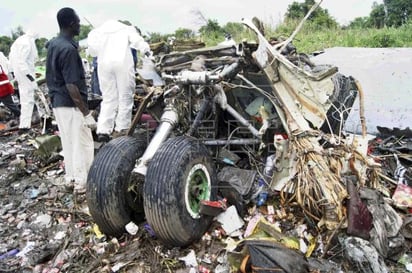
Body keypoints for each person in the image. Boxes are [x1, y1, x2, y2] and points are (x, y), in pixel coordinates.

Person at [45, 7, 96, 193]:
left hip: (58, 103)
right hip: (71, 104)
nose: (80, 25)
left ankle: (71, 177)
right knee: (83, 143)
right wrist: (86, 113)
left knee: (68, 142)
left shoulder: (53, 44)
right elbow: (72, 85)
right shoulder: (68, 50)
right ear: (71, 23)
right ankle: (83, 182)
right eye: (78, 22)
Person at [87, 20, 151, 142]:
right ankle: (122, 128)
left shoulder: (97, 32)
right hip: (122, 63)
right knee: (125, 96)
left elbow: (92, 51)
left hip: (104, 65)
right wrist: (146, 51)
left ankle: (103, 130)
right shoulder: (126, 29)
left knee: (108, 98)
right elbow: (138, 42)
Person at [8, 30, 39, 132]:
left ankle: (42, 117)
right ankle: (24, 126)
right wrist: (29, 76)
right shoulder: (27, 42)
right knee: (29, 100)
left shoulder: (17, 42)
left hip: (20, 75)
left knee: (33, 98)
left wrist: (13, 73)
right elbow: (22, 62)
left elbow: (11, 61)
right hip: (25, 75)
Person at [0, 52, 20, 120]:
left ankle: (19, 115)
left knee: (10, 104)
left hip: (2, 87)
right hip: (3, 86)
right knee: (9, 103)